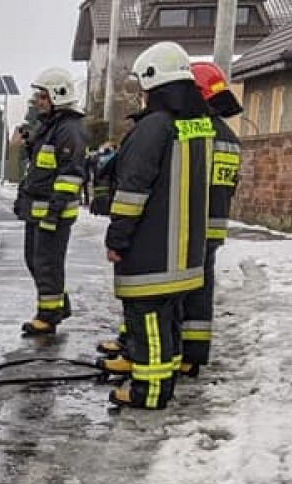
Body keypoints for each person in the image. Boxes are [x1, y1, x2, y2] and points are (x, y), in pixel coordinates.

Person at [99, 41, 214, 410]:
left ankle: (148, 392)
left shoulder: (154, 128)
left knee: (147, 323)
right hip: (186, 252)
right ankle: (159, 382)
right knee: (167, 326)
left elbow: (132, 192)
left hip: (152, 252)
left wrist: (117, 238)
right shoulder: (198, 127)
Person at [179, 60, 244, 378]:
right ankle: (193, 353)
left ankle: (174, 350)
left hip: (190, 223)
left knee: (178, 289)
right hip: (214, 225)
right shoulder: (230, 137)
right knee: (202, 288)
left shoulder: (197, 131)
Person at [14, 68, 87, 337]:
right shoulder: (50, 127)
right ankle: (58, 306)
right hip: (39, 211)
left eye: (43, 96)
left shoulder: (68, 130)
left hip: (52, 213)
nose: (38, 102)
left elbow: (70, 176)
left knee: (47, 264)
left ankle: (48, 316)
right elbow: (41, 169)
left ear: (58, 96)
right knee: (36, 261)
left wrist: (54, 212)